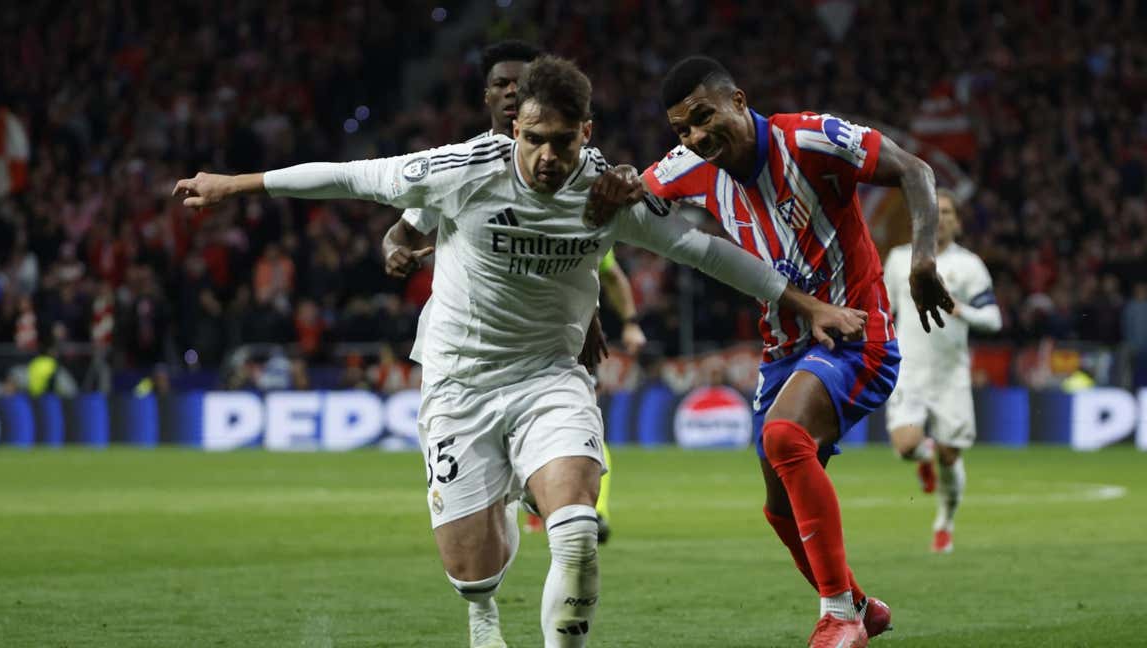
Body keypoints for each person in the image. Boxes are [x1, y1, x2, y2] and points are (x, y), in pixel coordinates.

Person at [174, 55, 866, 648]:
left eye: (561, 142)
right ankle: (484, 612)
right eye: (532, 139)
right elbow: (351, 176)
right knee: (473, 570)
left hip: (550, 377)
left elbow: (702, 249)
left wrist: (805, 306)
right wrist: (233, 186)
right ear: (513, 130)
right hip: (459, 382)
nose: (545, 158)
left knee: (574, 531)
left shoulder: (607, 191)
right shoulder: (462, 169)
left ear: (585, 135)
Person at [595, 56, 954, 647]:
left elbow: (915, 170)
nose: (695, 137)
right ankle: (862, 605)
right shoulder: (688, 165)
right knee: (778, 508)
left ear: (738, 100)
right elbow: (626, 203)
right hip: (782, 347)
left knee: (784, 437)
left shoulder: (809, 139)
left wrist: (920, 259)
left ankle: (839, 615)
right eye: (682, 129)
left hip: (854, 334)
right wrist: (622, 182)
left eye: (704, 117)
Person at [381, 40, 641, 543]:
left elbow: (583, 253)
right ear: (488, 99)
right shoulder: (461, 168)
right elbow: (402, 231)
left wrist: (585, 315)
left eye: (519, 85)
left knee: (571, 433)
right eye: (500, 84)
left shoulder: (575, 166)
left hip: (546, 343)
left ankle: (558, 502)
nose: (510, 93)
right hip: (466, 352)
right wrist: (391, 251)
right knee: (476, 504)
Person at [884, 189, 1000, 554]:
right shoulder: (900, 259)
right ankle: (925, 455)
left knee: (951, 456)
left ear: (958, 221)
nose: (943, 217)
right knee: (906, 446)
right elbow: (884, 310)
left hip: (950, 373)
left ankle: (944, 524)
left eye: (949, 212)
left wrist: (960, 310)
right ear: (924, 218)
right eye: (937, 211)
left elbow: (994, 319)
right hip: (909, 369)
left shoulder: (970, 266)